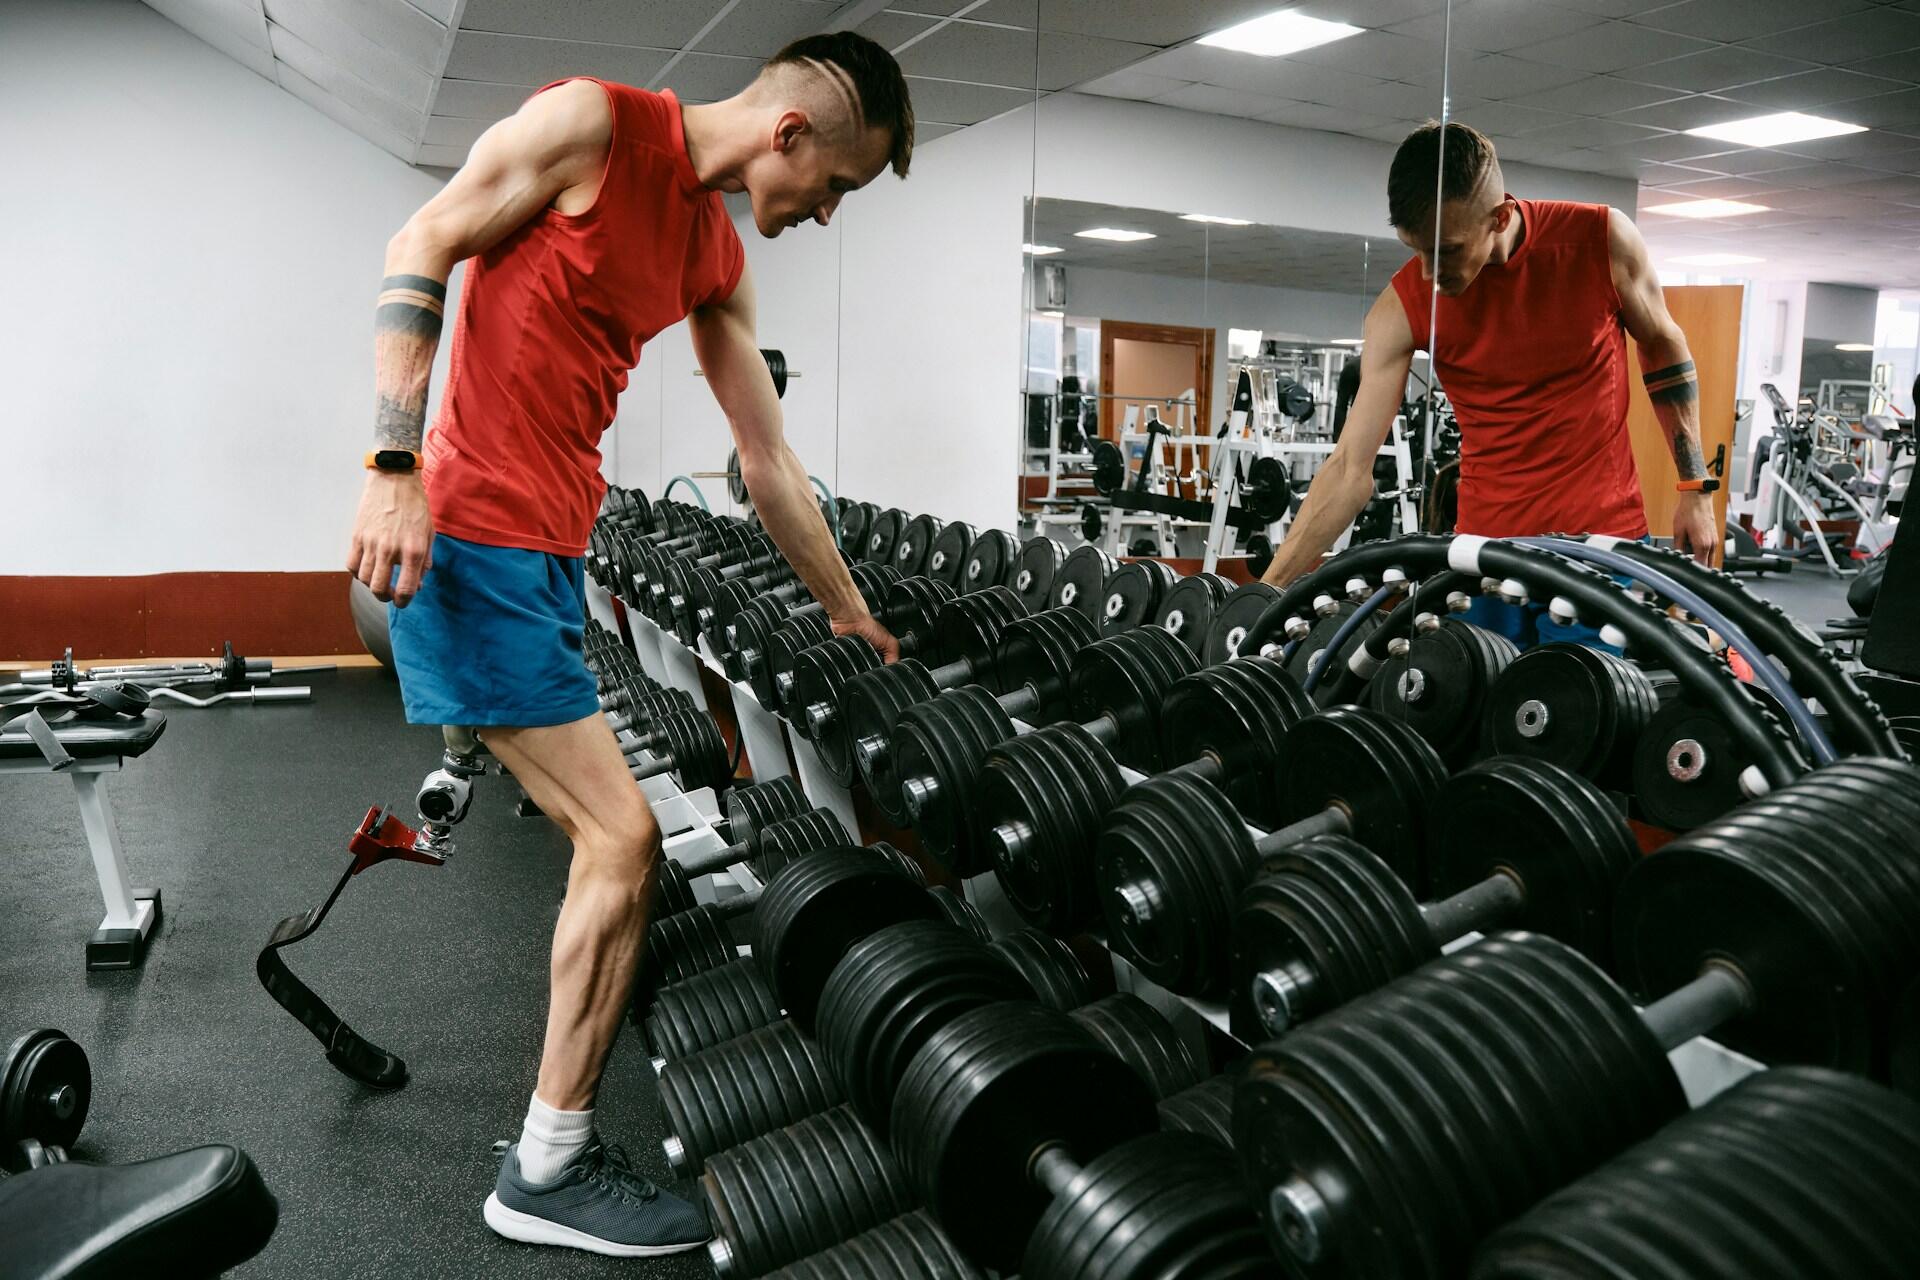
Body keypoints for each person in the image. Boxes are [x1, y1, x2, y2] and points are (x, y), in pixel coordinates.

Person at [343, 33, 913, 1257]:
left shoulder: (716, 257)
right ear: (790, 134)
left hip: (553, 547)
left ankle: (569, 1088)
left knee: (611, 840)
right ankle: (546, 1166)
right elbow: (419, 241)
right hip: (475, 536)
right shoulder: (593, 128)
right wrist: (391, 466)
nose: (826, 211)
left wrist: (847, 608)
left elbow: (766, 458)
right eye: (837, 184)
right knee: (622, 836)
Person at [1262, 121, 1718, 648]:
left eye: (1448, 250)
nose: (1429, 273)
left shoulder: (1599, 241)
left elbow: (1663, 344)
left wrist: (1695, 489)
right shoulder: (1402, 306)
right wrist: (1267, 595)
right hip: (1483, 555)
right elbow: (1348, 469)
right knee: (1473, 692)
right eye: (1416, 250)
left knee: (1583, 694)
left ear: (1499, 217)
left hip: (1598, 544)